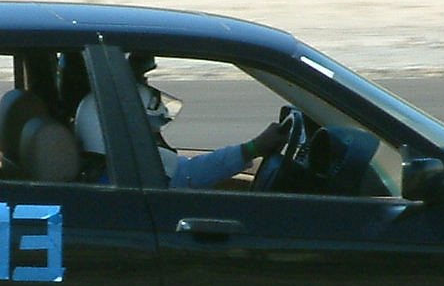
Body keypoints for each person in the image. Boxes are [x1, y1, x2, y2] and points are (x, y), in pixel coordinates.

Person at [73, 55, 290, 189]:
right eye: (148, 134)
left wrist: (254, 148)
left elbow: (189, 171)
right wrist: (253, 149)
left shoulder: (125, 175)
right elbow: (190, 175)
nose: (156, 140)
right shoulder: (130, 183)